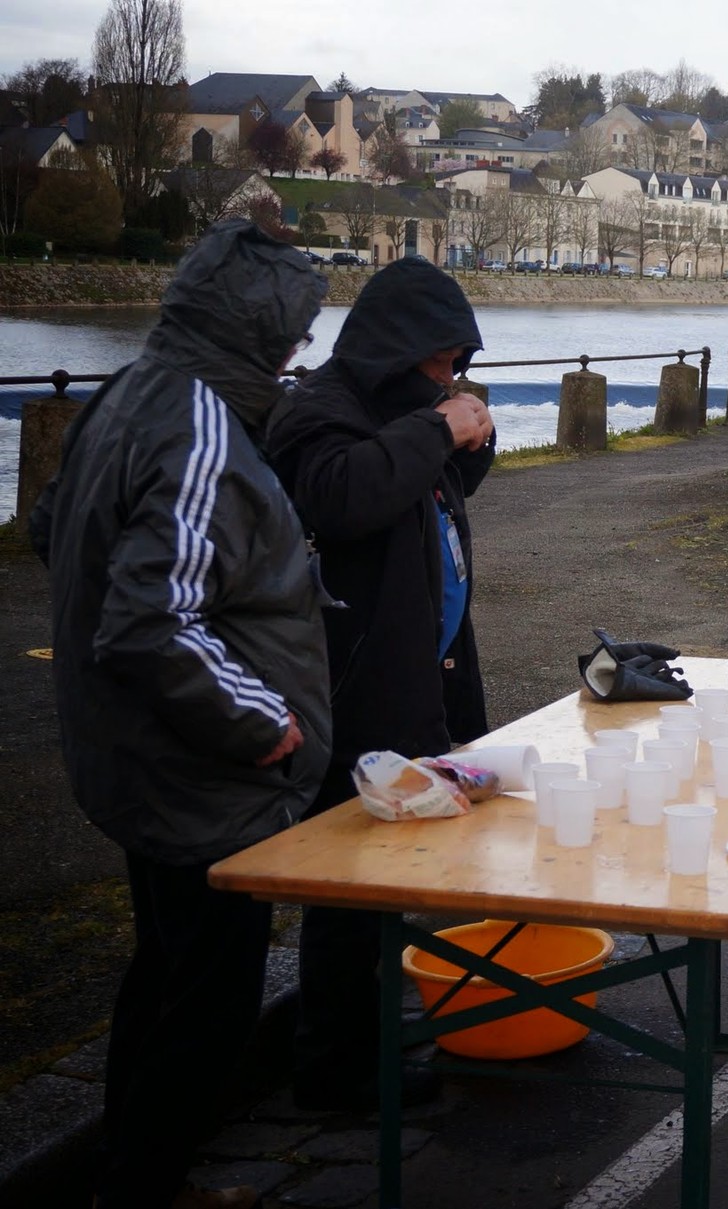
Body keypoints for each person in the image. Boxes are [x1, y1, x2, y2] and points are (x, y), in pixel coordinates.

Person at [29, 218, 332, 1209]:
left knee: (162, 968)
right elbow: (151, 621)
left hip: (130, 753)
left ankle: (132, 1162)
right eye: (294, 337)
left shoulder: (127, 393)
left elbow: (53, 527)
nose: (299, 357)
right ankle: (148, 1180)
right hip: (200, 771)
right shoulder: (198, 421)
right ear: (257, 335)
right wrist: (265, 723)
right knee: (209, 994)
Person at [266, 258, 494, 1111]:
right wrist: (438, 428)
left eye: (458, 365)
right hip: (350, 687)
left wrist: (470, 438)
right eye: (441, 361)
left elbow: (437, 485)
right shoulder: (318, 411)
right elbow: (341, 497)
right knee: (346, 894)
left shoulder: (408, 410)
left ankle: (366, 1045)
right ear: (399, 350)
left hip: (416, 677)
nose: (450, 378)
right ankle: (334, 1071)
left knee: (387, 883)